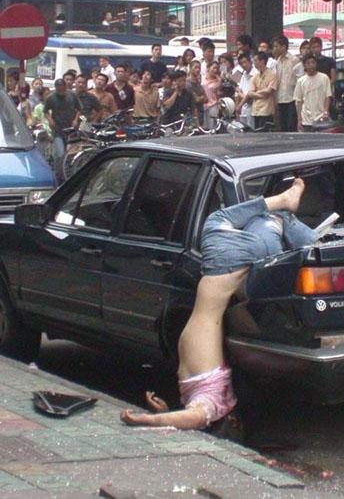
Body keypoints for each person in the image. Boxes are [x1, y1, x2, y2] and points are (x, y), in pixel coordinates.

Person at [121, 178, 317, 430]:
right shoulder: (211, 403)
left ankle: (311, 237)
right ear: (228, 419)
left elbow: (184, 415)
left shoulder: (207, 396)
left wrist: (164, 410)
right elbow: (193, 418)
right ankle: (288, 206)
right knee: (216, 221)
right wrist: (145, 420)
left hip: (246, 258)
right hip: (227, 264)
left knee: (274, 218)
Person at [44, 79, 80, 182]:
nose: (60, 92)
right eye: (58, 90)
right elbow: (45, 111)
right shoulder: (51, 97)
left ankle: (69, 177)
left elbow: (79, 109)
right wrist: (50, 120)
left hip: (71, 129)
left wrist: (75, 119)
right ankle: (58, 177)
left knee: (70, 155)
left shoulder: (72, 95)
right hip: (58, 129)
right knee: (60, 154)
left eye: (62, 89)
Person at [239, 51, 277, 130]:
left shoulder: (272, 74)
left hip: (266, 110)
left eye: (256, 60)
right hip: (256, 110)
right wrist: (261, 94)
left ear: (262, 61)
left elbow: (269, 91)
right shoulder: (255, 76)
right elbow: (250, 93)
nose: (254, 63)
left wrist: (256, 93)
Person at [294, 53, 332, 131]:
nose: (311, 65)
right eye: (308, 63)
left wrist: (326, 112)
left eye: (313, 62)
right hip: (306, 119)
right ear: (304, 65)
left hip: (321, 118)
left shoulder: (324, 78)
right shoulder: (301, 81)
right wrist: (299, 119)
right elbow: (299, 101)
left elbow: (328, 96)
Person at [272, 34, 299, 132]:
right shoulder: (277, 61)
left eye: (276, 46)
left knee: (291, 125)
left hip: (292, 97)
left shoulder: (294, 60)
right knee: (282, 126)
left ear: (283, 46)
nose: (274, 48)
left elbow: (299, 78)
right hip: (280, 98)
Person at [236, 52, 255, 129]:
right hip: (243, 108)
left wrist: (242, 95)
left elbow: (250, 95)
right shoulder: (243, 75)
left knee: (251, 129)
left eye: (245, 62)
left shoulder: (255, 74)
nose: (243, 65)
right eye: (241, 63)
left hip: (252, 107)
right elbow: (239, 91)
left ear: (250, 62)